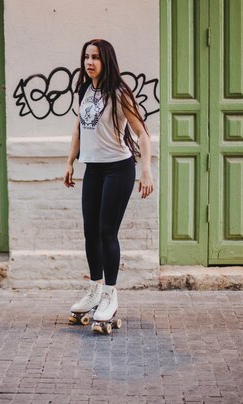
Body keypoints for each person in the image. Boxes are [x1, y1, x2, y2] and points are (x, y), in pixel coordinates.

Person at [64, 39, 154, 333]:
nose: (89, 62)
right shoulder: (84, 90)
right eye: (86, 57)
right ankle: (94, 289)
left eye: (96, 58)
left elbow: (142, 134)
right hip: (93, 170)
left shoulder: (119, 93)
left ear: (107, 61)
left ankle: (110, 295)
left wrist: (146, 172)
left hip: (118, 169)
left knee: (106, 231)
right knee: (90, 230)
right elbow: (79, 126)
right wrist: (70, 161)